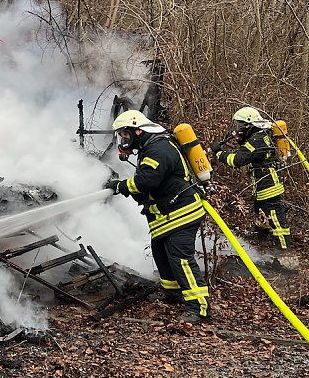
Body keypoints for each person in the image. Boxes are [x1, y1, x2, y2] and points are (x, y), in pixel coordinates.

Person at [104, 110, 211, 323]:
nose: (124, 140)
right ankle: (172, 294)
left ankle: (199, 307)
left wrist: (120, 186)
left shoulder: (159, 149)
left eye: (125, 135)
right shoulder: (150, 146)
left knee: (180, 259)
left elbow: (146, 181)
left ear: (138, 130)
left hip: (182, 213)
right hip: (166, 216)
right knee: (161, 253)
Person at [212, 107, 290, 250]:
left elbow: (238, 160)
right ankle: (263, 246)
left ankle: (285, 255)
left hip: (268, 186)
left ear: (248, 124)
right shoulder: (260, 135)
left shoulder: (257, 140)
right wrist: (239, 141)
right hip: (262, 184)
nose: (238, 128)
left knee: (277, 222)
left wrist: (218, 153)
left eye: (240, 125)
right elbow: (248, 152)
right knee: (261, 217)